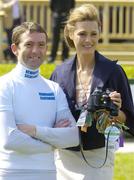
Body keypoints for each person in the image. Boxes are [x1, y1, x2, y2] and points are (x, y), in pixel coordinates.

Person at [50, 4, 134, 180]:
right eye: (82, 33)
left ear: (100, 33)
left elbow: (129, 118)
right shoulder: (59, 73)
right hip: (63, 157)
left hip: (99, 156)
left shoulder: (113, 71)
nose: (88, 39)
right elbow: (49, 116)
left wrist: (114, 112)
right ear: (71, 33)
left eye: (93, 34)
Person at [0, 21, 79, 180]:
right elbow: (10, 139)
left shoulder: (54, 89)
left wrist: (36, 131)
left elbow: (73, 137)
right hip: (12, 174)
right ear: (15, 49)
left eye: (41, 44)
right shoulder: (5, 85)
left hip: (48, 173)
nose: (35, 50)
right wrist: (53, 143)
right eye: (28, 44)